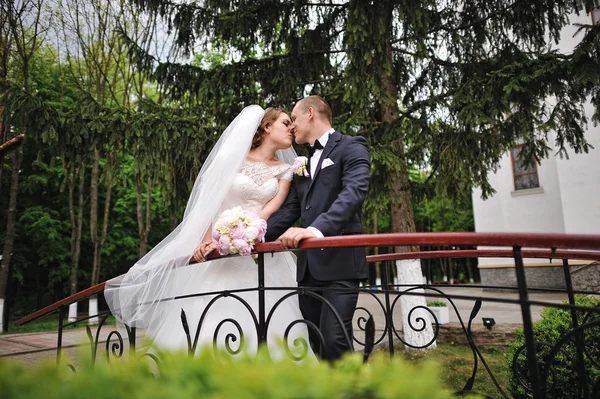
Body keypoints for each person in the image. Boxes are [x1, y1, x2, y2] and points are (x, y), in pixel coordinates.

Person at [105, 106, 314, 361]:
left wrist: (248, 232)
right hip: (221, 247)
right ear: (267, 127)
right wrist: (206, 241)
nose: (291, 128)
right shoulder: (232, 159)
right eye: (285, 123)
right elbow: (208, 202)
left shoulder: (285, 170)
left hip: (259, 251)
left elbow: (271, 208)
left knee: (272, 315)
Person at [265, 96, 371, 361]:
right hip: (308, 268)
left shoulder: (352, 146)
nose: (291, 127)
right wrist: (244, 238)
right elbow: (289, 212)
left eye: (295, 118)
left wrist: (315, 230)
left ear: (310, 113)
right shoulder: (302, 163)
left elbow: (353, 193)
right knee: (317, 341)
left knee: (335, 339)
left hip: (342, 263)